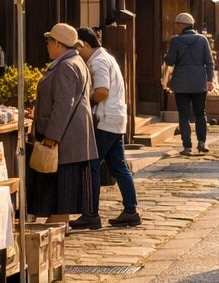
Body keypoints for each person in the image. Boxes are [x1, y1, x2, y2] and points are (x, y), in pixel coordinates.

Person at [71, 27, 140, 229]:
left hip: (105, 119)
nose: (77, 53)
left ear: (83, 44)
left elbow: (102, 91)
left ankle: (91, 213)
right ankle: (130, 210)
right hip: (115, 119)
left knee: (91, 165)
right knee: (119, 167)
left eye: (77, 47)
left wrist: (87, 102)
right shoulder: (106, 57)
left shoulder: (98, 61)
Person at [29, 23, 99, 222]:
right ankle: (58, 229)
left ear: (58, 43)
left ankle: (57, 231)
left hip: (65, 142)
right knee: (61, 197)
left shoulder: (67, 65)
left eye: (49, 41)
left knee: (60, 196)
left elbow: (63, 105)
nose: (47, 46)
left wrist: (52, 136)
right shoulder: (75, 61)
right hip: (72, 140)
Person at [165, 12, 214, 156]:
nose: (175, 27)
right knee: (200, 113)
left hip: (181, 83)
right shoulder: (202, 40)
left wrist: (167, 55)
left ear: (181, 25)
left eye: (176, 24)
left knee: (184, 115)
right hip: (199, 82)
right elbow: (209, 62)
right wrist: (209, 80)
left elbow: (170, 61)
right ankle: (202, 142)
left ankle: (187, 146)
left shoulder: (176, 41)